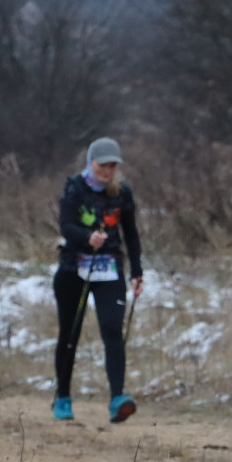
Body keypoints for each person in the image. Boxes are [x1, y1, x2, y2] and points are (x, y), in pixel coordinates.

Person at [52, 137, 144, 423]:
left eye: (112, 166)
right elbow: (66, 225)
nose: (107, 171)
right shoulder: (75, 187)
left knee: (112, 329)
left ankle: (118, 399)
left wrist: (137, 271)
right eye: (103, 165)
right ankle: (63, 397)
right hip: (73, 269)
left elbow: (131, 234)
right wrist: (86, 237)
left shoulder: (121, 193)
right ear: (91, 163)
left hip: (109, 270)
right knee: (70, 333)